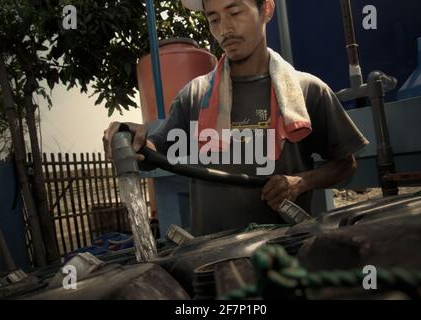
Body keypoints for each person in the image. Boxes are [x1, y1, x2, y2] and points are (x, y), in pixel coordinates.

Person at [104, 0, 369, 236]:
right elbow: (155, 152)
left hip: (285, 253)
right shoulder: (195, 96)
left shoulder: (308, 91)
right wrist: (131, 137)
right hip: (211, 258)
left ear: (266, 9)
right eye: (214, 19)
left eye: (234, 12)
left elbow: (346, 164)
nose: (225, 29)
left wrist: (301, 182)